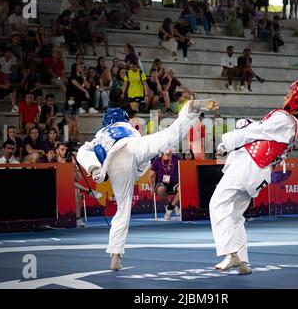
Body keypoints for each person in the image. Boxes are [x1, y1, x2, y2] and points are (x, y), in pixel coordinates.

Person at [77, 99, 219, 270]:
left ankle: (115, 255)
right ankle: (189, 109)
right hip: (134, 147)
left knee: (122, 209)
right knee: (167, 137)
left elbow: (83, 151)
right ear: (123, 118)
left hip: (114, 160)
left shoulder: (99, 134)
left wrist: (93, 168)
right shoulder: (129, 128)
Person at [209, 78, 298, 275]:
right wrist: (249, 125)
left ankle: (231, 254)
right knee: (235, 216)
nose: (285, 96)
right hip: (259, 173)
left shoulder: (284, 118)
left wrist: (227, 142)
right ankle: (243, 261)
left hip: (248, 165)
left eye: (289, 94)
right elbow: (265, 131)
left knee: (217, 204)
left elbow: (256, 132)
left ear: (297, 99)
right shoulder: (296, 125)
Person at [149, 149, 181, 220]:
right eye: (166, 147)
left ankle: (169, 208)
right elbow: (150, 176)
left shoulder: (177, 159)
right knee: (160, 189)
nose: (168, 149)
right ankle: (173, 206)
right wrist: (151, 187)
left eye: (169, 147)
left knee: (182, 188)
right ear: (162, 149)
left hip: (174, 182)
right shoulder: (157, 161)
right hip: (161, 183)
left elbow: (183, 169)